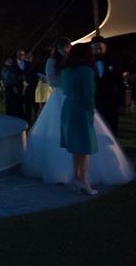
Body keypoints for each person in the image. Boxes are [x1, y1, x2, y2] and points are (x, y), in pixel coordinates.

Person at [22, 37, 135, 186]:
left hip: (74, 98)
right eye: (63, 47)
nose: (66, 50)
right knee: (67, 133)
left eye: (68, 47)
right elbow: (52, 80)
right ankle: (74, 175)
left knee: (83, 136)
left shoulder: (75, 64)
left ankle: (80, 175)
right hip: (62, 97)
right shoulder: (57, 63)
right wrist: (73, 85)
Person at [60, 42, 99, 194]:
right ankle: (84, 182)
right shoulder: (86, 71)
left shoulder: (66, 70)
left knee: (76, 148)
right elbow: (89, 95)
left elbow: (64, 90)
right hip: (81, 110)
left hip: (68, 108)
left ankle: (76, 178)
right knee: (84, 148)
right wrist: (91, 112)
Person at [92, 36, 123, 136]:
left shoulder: (114, 60)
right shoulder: (87, 63)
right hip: (94, 100)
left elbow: (119, 81)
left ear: (105, 47)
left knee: (111, 127)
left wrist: (121, 100)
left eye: (100, 48)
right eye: (95, 49)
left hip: (110, 100)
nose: (98, 51)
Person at [16, 49, 37, 122]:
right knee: (19, 105)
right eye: (20, 54)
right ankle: (20, 119)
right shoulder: (14, 64)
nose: (22, 56)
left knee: (28, 105)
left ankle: (28, 119)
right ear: (17, 55)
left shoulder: (28, 64)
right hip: (18, 88)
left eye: (23, 54)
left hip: (28, 88)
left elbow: (31, 74)